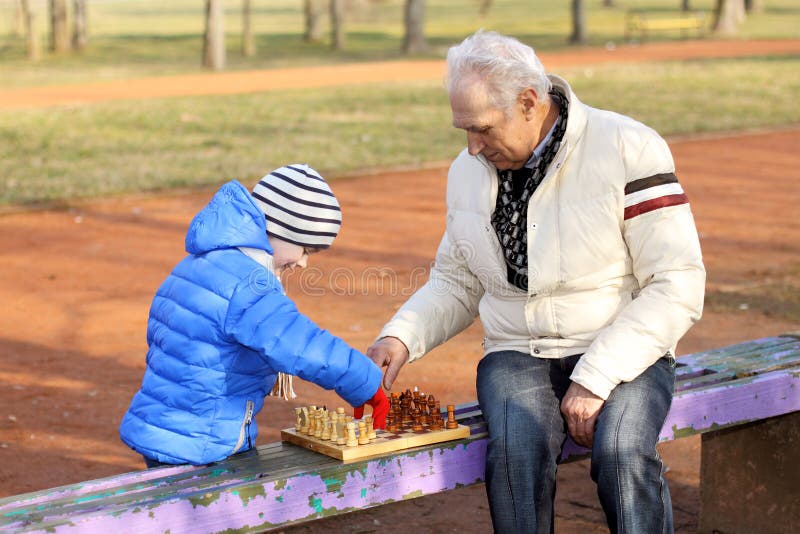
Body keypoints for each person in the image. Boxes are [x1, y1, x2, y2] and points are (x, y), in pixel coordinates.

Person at [366, 31, 705, 533]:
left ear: (529, 102)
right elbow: (458, 280)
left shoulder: (627, 146)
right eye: (463, 130)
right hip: (517, 351)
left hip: (621, 346)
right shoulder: (468, 171)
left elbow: (678, 283)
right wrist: (401, 335)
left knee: (620, 451)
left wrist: (596, 375)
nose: (471, 147)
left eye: (481, 128)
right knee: (514, 454)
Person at [119, 164, 389, 467]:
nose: (302, 263)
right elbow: (302, 345)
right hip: (202, 444)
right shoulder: (250, 286)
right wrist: (364, 381)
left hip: (166, 427)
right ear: (281, 230)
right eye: (305, 249)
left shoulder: (200, 262)